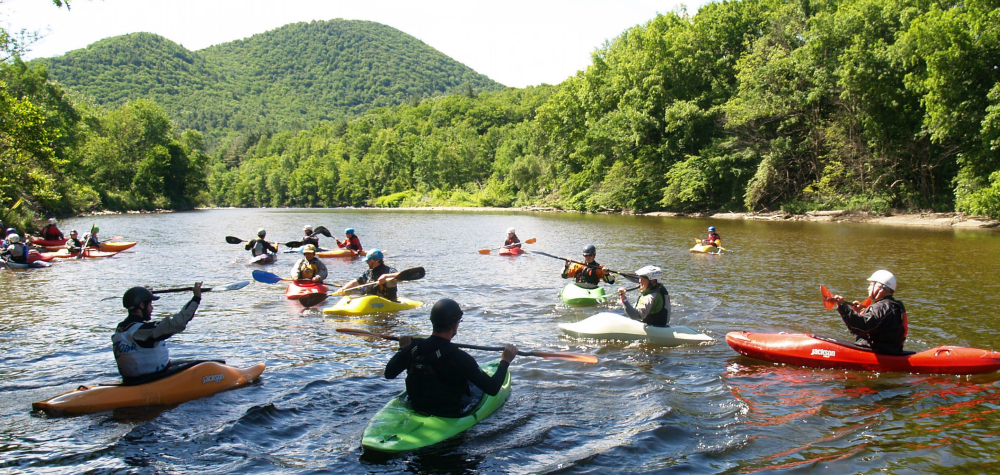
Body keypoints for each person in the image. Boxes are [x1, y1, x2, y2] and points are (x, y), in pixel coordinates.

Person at [384, 299, 517, 417]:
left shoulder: (412, 347)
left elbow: (389, 374)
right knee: (473, 385)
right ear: (455, 324)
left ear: (432, 321)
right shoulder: (461, 357)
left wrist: (402, 349)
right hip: (448, 412)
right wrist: (505, 360)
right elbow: (492, 389)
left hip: (416, 405)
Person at [112, 283, 203, 384]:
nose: (152, 309)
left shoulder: (121, 328)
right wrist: (196, 298)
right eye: (150, 304)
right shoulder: (143, 331)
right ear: (142, 305)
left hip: (130, 380)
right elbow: (177, 323)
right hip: (151, 379)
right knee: (209, 366)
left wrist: (144, 293)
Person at [825, 270, 908, 354]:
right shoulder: (895, 305)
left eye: (871, 285)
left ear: (880, 287)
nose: (868, 288)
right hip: (891, 351)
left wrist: (842, 307)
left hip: (878, 352)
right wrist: (861, 312)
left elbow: (860, 328)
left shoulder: (881, 307)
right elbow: (877, 324)